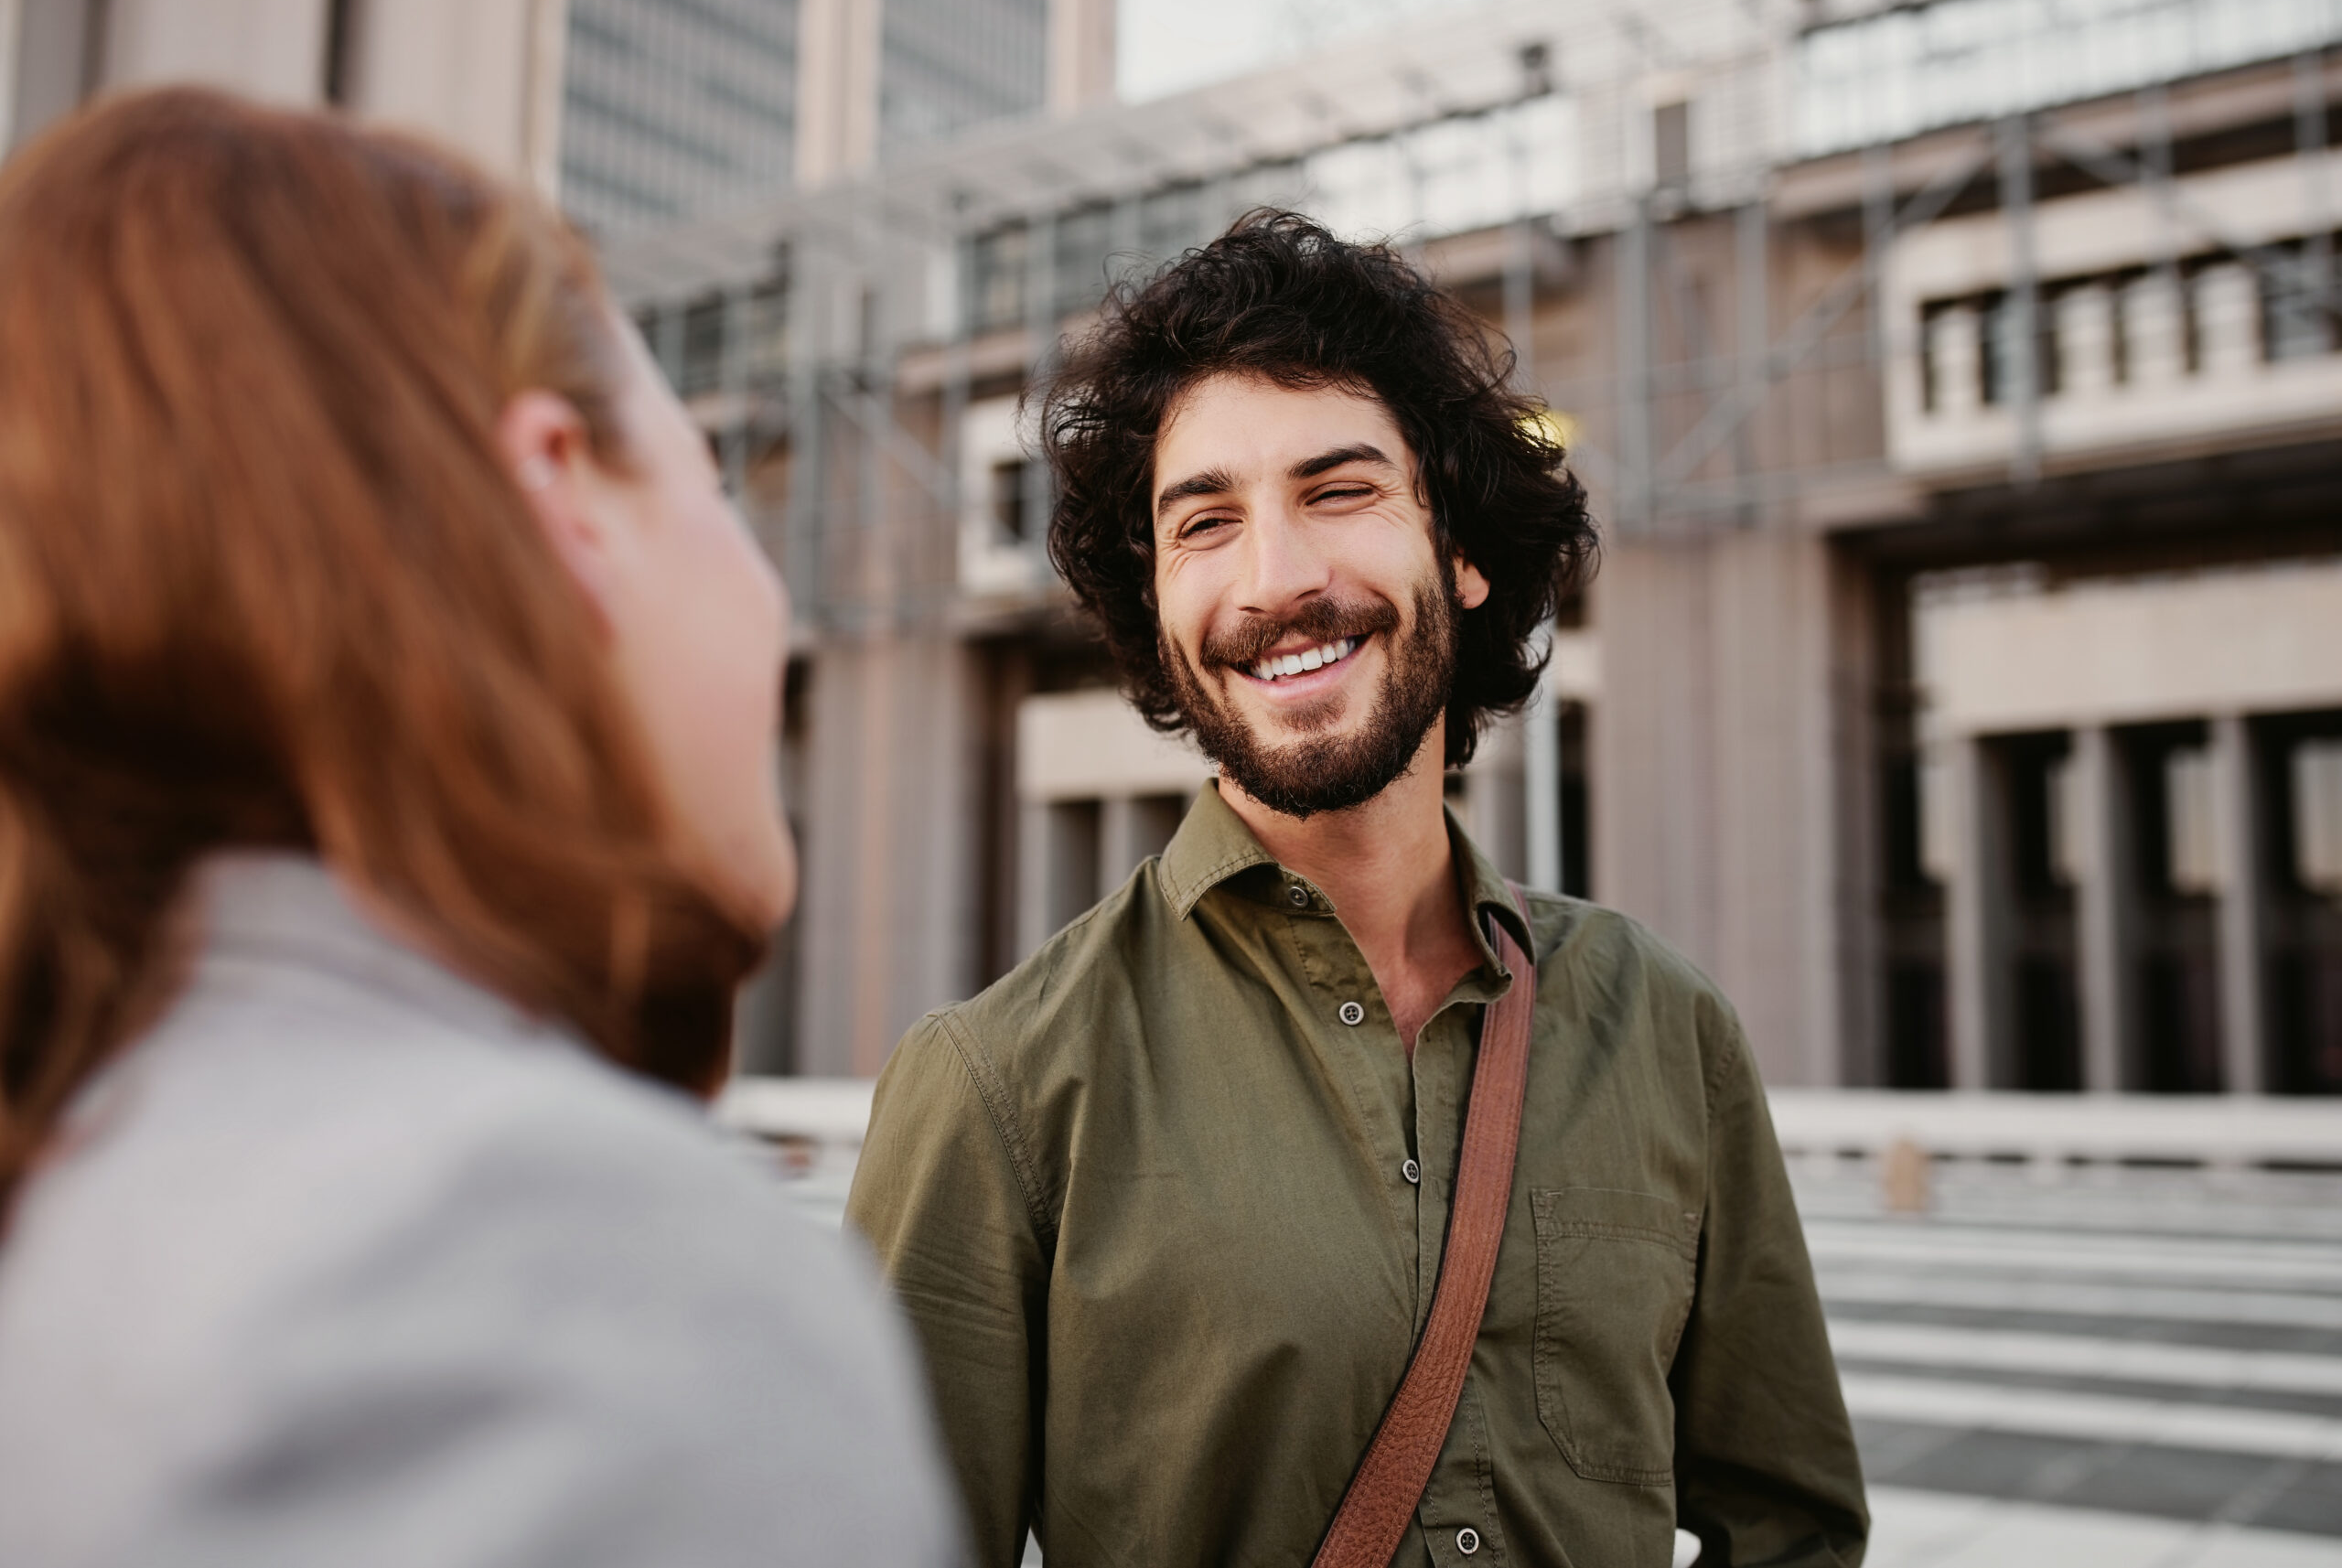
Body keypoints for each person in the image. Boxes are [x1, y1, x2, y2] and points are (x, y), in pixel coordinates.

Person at [0, 89, 957, 1567]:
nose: (768, 598)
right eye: (711, 488)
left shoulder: (85, 1158)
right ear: (562, 494)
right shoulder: (567, 1275)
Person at [849, 211, 1869, 1567]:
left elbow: (1792, 1527)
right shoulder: (996, 1089)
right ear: (1157, 605)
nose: (1277, 579)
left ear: (1459, 548)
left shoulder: (1669, 1029)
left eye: (1339, 491)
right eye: (1203, 521)